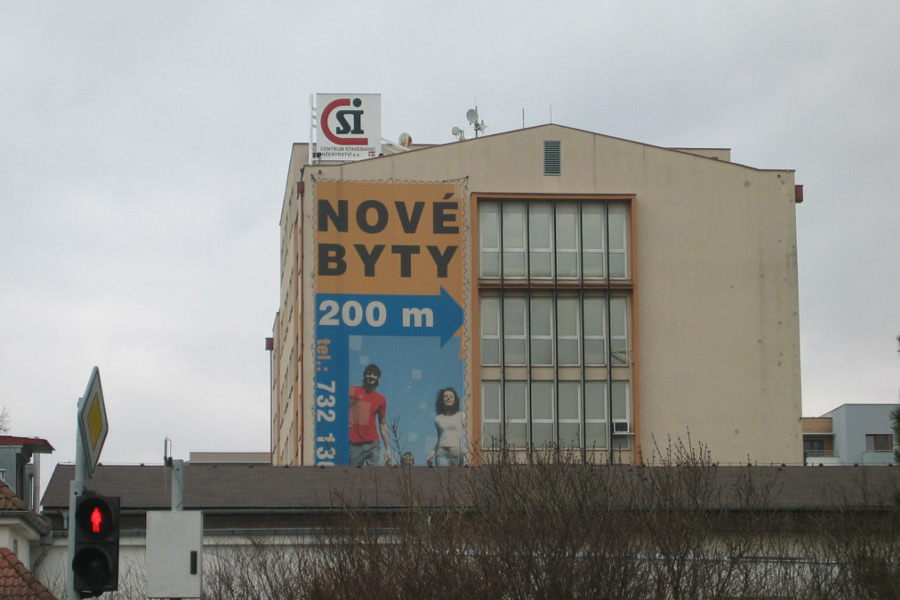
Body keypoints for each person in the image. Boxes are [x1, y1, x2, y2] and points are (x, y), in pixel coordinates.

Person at [348, 364, 392, 466]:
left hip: (372, 443)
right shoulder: (352, 391)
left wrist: (388, 448)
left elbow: (382, 423)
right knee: (353, 474)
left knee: (373, 474)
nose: (371, 376)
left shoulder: (381, 399)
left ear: (378, 378)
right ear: (364, 375)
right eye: (369, 373)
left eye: (374, 375)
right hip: (354, 443)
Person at [426, 388, 466, 467]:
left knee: (458, 475)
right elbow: (439, 438)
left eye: (451, 396)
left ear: (455, 400)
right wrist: (433, 453)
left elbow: (468, 434)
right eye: (446, 396)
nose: (448, 398)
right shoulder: (438, 419)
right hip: (442, 453)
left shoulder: (462, 415)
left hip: (458, 453)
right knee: (443, 474)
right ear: (442, 400)